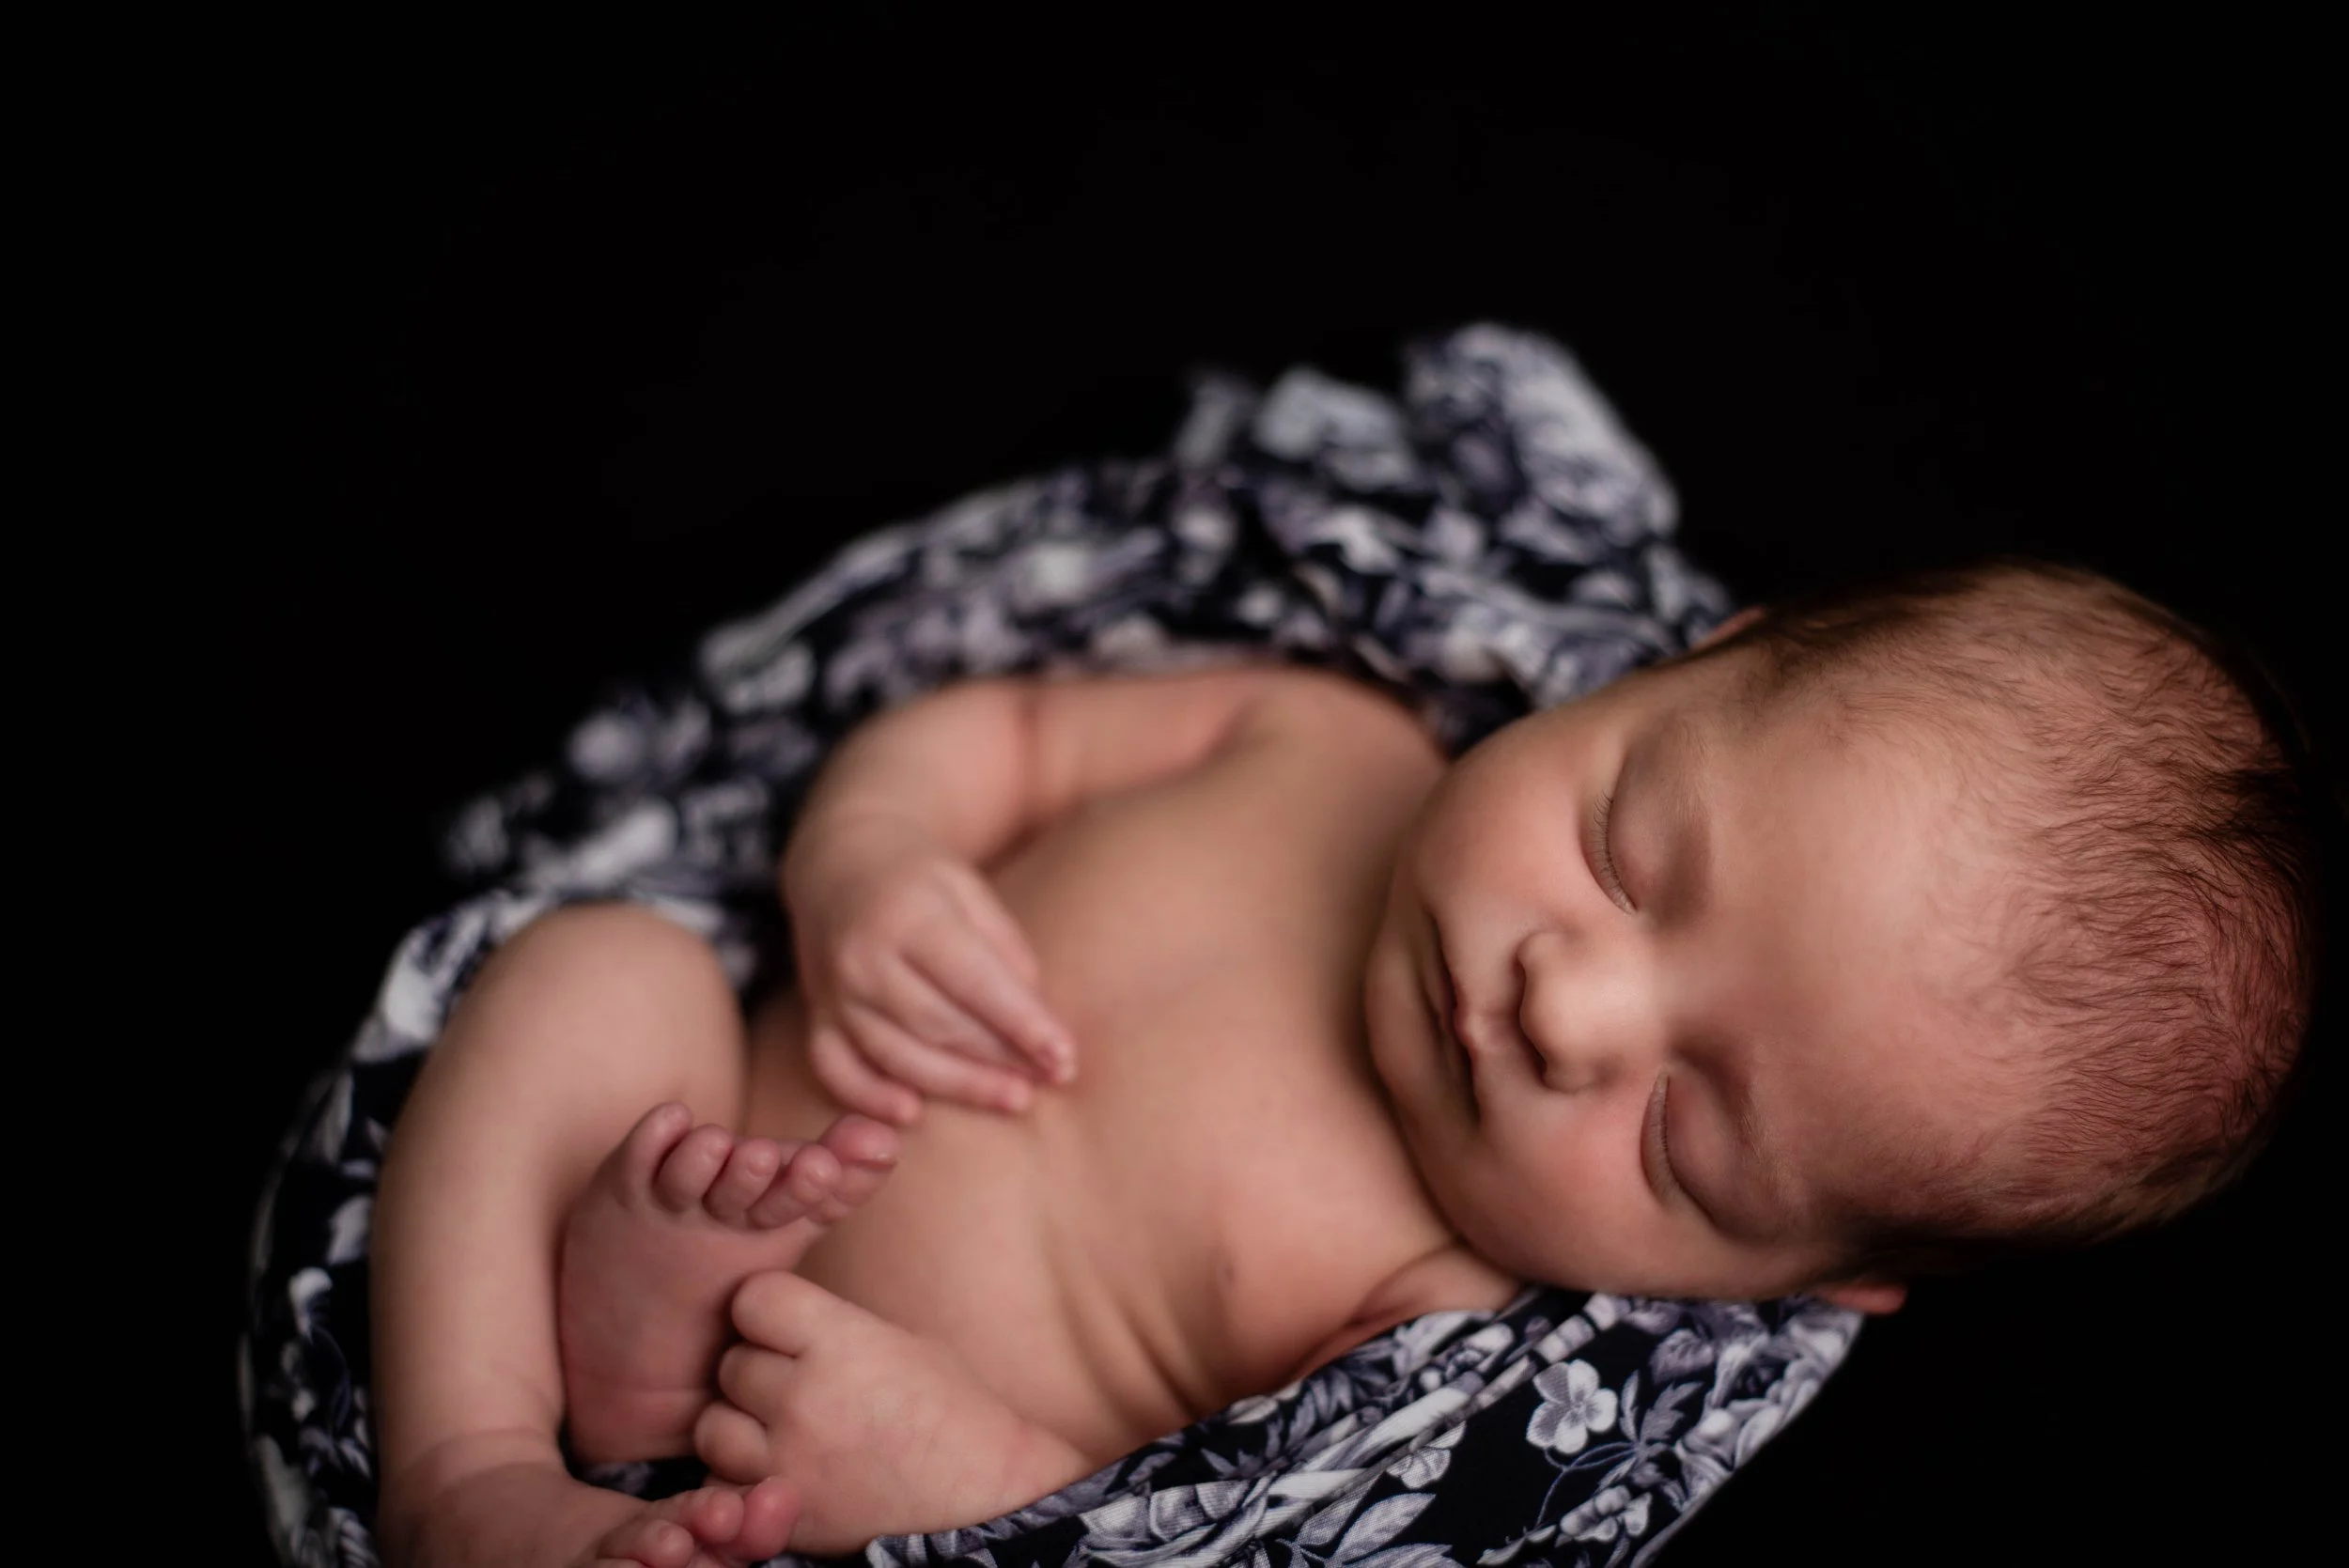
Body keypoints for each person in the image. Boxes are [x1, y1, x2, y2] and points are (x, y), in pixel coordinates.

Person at [367, 560, 2321, 1567]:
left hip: (793, 1470)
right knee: (590, 971)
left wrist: (969, 1480)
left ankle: (630, 1404)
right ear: (1683, 664)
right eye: (1629, 856)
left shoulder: (1429, 1314)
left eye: (1677, 1136)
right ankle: (473, 1468)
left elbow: (1227, 1521)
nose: (1568, 1011)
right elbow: (1002, 739)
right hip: (696, 1101)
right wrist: (866, 862)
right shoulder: (1313, 742)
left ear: (1807, 1284)